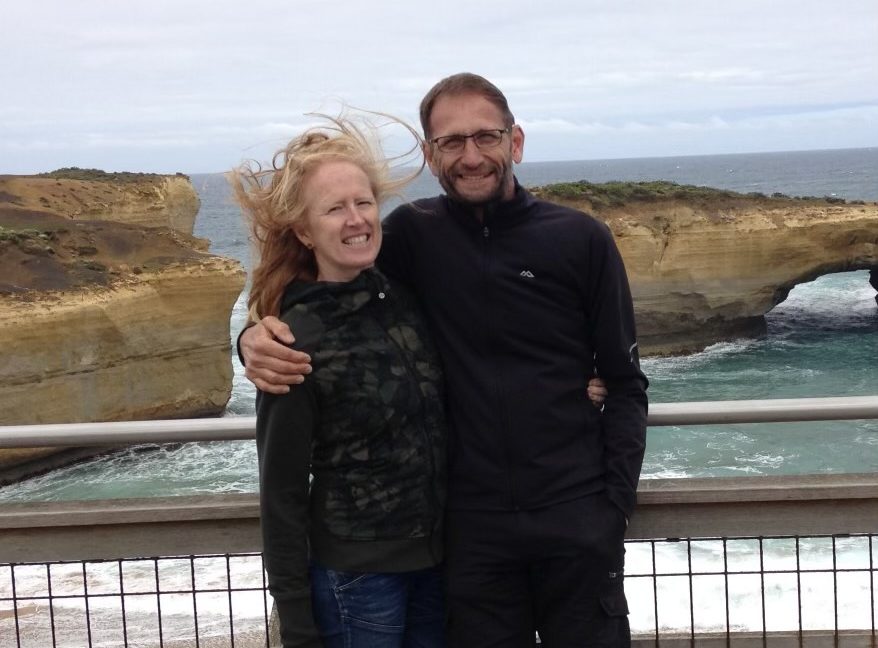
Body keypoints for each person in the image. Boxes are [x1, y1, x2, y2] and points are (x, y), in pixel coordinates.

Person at [240, 74, 648, 648]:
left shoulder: (581, 239)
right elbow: (333, 292)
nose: (472, 156)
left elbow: (627, 385)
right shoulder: (410, 235)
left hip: (575, 520)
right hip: (469, 537)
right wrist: (256, 337)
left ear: (517, 142)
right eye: (452, 142)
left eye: (487, 137)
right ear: (431, 156)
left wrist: (614, 509)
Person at [231, 115, 448, 647]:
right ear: (304, 231)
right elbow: (280, 493)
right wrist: (298, 628)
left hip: (440, 565)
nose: (356, 220)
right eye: (334, 208)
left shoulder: (405, 296)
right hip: (357, 580)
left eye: (364, 202)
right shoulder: (293, 340)